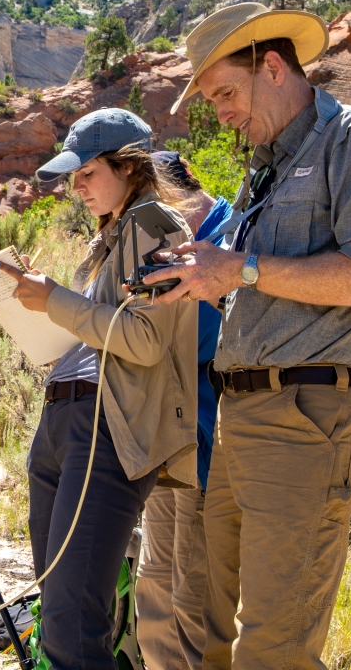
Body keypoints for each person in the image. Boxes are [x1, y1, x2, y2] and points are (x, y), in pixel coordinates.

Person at [144, 2, 351, 670]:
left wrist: (240, 268)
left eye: (226, 94)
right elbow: (255, 280)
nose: (222, 113)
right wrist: (205, 278)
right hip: (239, 418)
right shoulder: (264, 169)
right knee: (212, 636)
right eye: (211, 101)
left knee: (274, 646)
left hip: (308, 418)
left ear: (272, 66)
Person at [0, 107, 199, 670]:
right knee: (59, 602)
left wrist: (56, 300)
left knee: (70, 623)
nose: (76, 187)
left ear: (129, 167)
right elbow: (98, 331)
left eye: (87, 173)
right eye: (73, 177)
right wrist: (45, 308)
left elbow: (145, 340)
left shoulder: (151, 225)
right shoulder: (112, 236)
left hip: (102, 430)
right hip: (67, 421)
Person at [136, 151, 232, 670]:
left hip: (211, 442)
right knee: (154, 586)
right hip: (165, 443)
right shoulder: (159, 248)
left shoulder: (233, 236)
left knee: (192, 592)